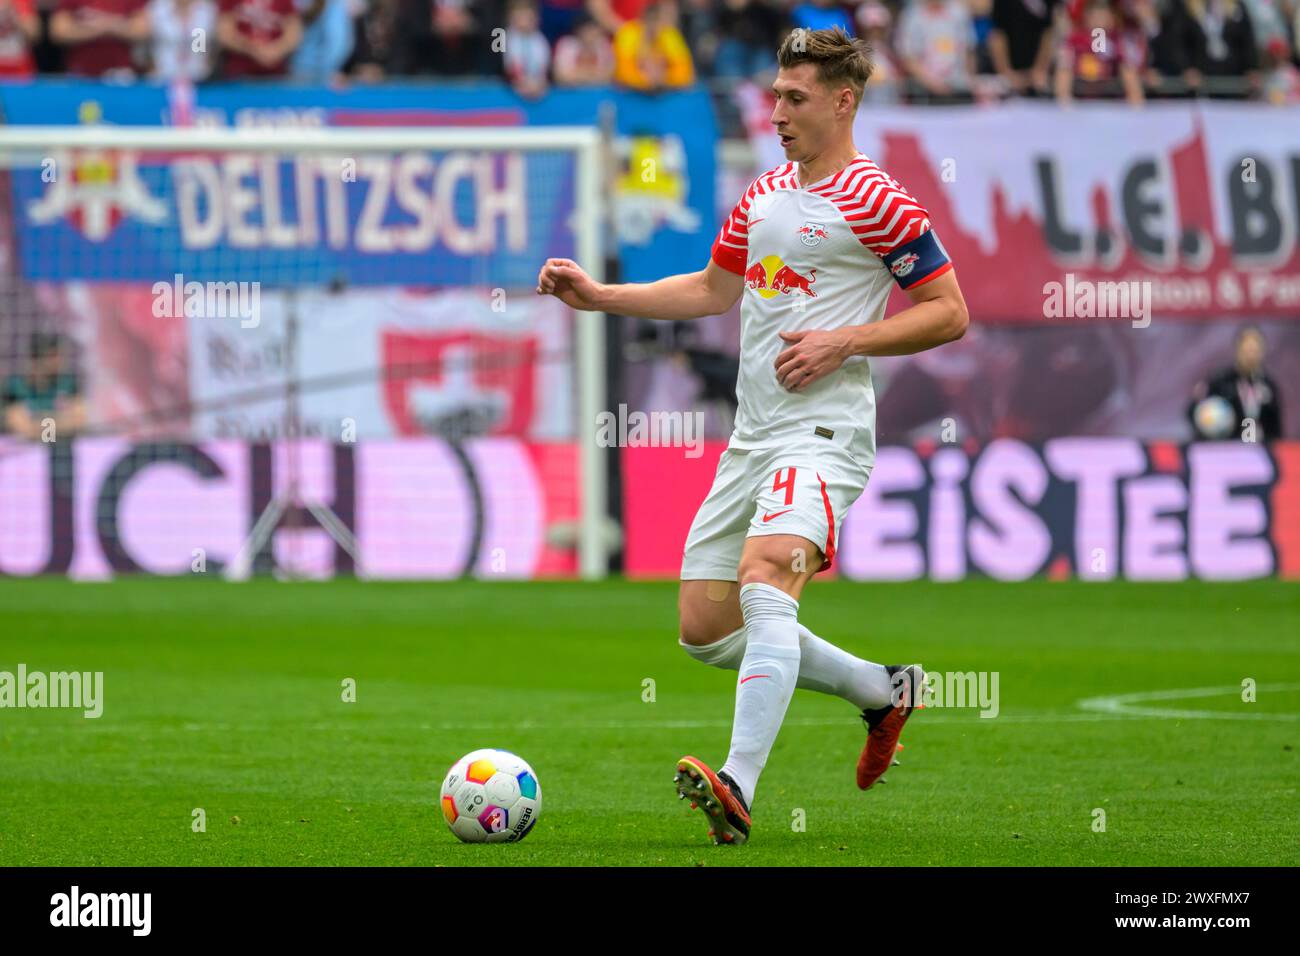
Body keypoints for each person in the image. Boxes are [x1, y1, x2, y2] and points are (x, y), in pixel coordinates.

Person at [537, 26, 968, 845]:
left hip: (826, 432)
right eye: (774, 94)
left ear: (843, 102)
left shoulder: (879, 201)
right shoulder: (764, 191)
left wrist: (847, 339)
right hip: (754, 436)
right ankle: (882, 690)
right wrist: (600, 296)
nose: (776, 111)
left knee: (767, 575)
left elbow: (950, 312)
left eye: (795, 98)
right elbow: (709, 289)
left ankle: (737, 784)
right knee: (705, 629)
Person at [1188, 326, 1284, 441]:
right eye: (1247, 350)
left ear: (1262, 351)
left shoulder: (1268, 386)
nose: (1250, 356)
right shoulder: (1221, 381)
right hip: (1228, 449)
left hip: (1260, 449)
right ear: (1238, 350)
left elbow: (1276, 426)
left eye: (1255, 350)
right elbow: (1194, 412)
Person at [3, 334, 86, 441]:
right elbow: (23, 429)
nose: (59, 361)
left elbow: (79, 422)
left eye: (60, 355)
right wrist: (62, 421)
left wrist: (37, 423)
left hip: (60, 448)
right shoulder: (14, 386)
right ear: (35, 359)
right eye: (52, 356)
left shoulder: (68, 383)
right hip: (23, 454)